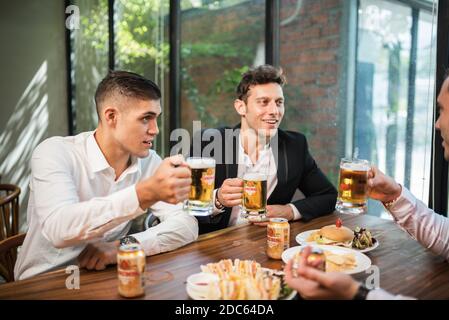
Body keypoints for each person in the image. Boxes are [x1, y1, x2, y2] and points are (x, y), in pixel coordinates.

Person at [15, 71, 198, 280]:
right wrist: (142, 194)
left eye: (156, 118)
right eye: (146, 118)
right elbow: (59, 228)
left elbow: (186, 224)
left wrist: (122, 247)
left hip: (105, 277)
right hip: (43, 282)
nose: (155, 130)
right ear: (111, 117)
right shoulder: (54, 152)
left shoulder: (148, 161)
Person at [284, 75, 449, 300]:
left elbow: (327, 195)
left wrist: (354, 293)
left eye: (442, 110)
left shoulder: (295, 144)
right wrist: (394, 195)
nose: (437, 124)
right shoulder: (224, 142)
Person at [192, 65, 337, 234]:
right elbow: (187, 209)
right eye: (263, 102)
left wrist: (288, 211)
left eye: (279, 102)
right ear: (241, 107)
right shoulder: (209, 142)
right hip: (212, 248)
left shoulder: (295, 146)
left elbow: (328, 196)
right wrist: (218, 199)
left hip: (265, 242)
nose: (274, 111)